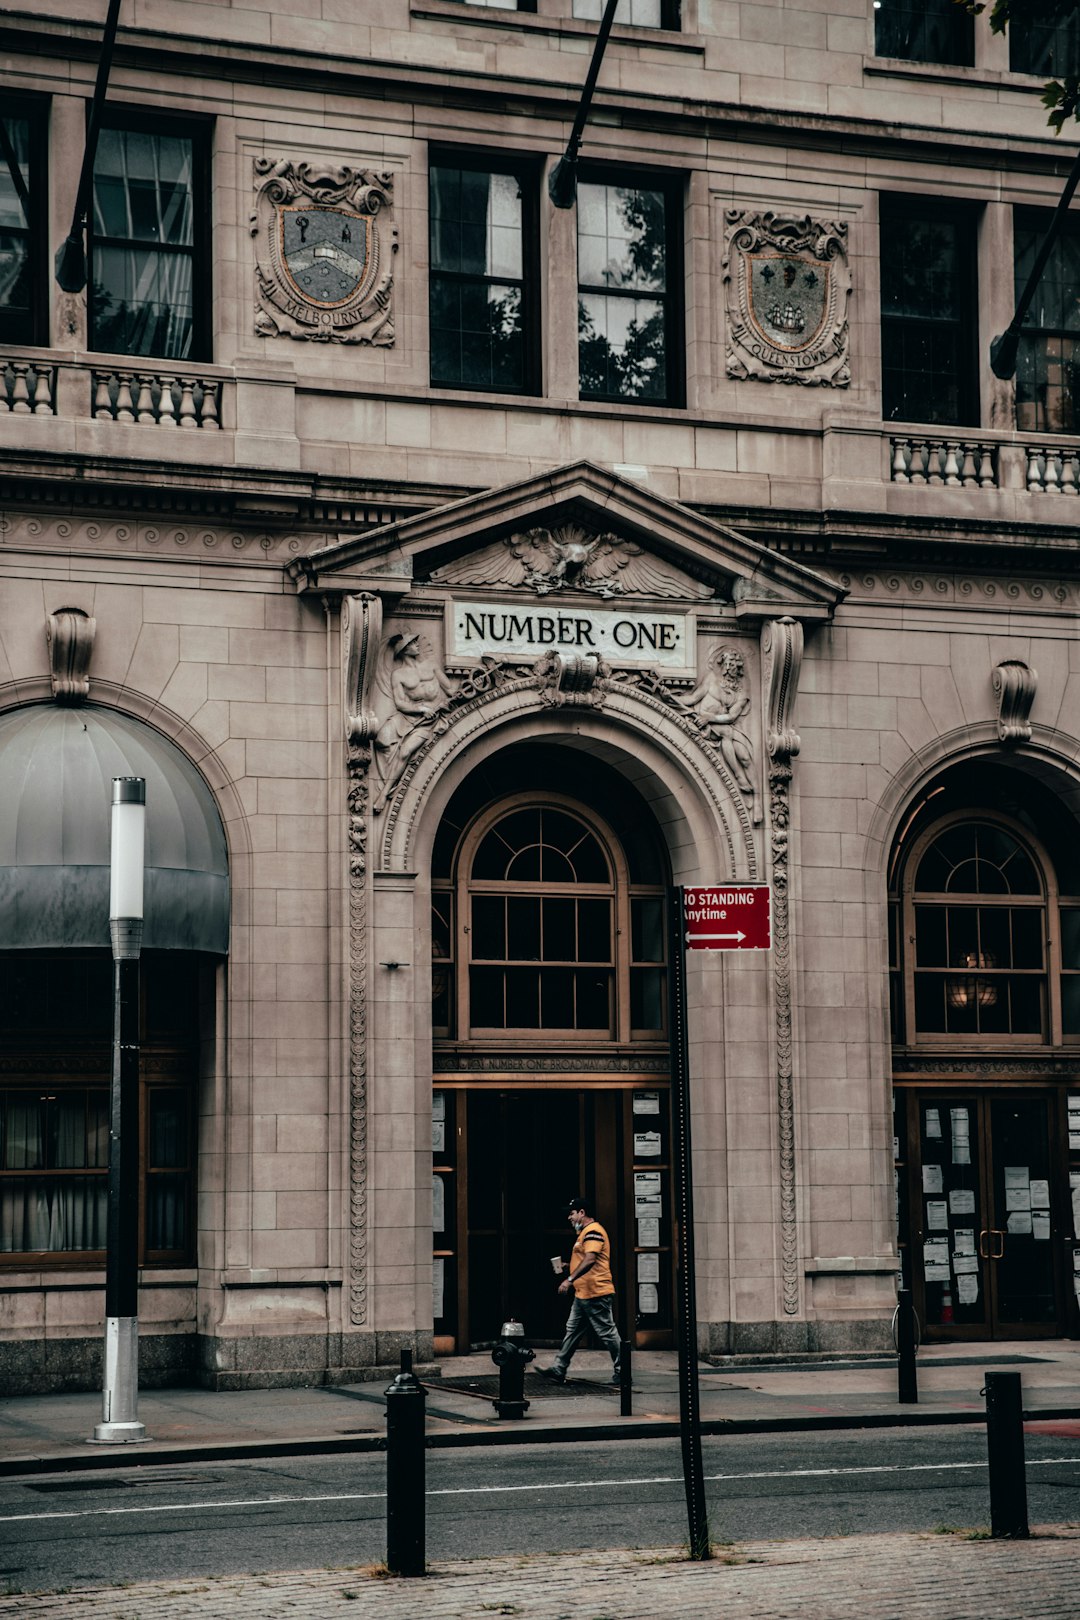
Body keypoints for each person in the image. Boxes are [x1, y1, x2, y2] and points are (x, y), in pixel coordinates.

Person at [538, 1197, 622, 1385]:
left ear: (582, 1213)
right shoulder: (585, 1233)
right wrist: (569, 1265)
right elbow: (586, 1259)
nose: (569, 1217)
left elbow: (591, 1259)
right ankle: (559, 1369)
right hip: (583, 1294)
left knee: (607, 1333)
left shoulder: (593, 1231)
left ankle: (623, 1370)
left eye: (572, 1213)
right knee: (572, 1331)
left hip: (596, 1292)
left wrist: (569, 1279)